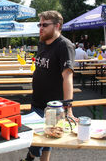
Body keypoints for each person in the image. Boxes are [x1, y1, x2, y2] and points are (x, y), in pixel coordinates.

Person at [22, 11, 76, 161]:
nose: (41, 28)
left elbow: (68, 77)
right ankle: (33, 157)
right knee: (44, 140)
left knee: (42, 140)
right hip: (37, 101)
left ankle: (29, 158)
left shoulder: (64, 46)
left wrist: (68, 109)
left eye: (45, 25)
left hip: (53, 106)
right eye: (40, 24)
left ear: (57, 26)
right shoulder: (42, 42)